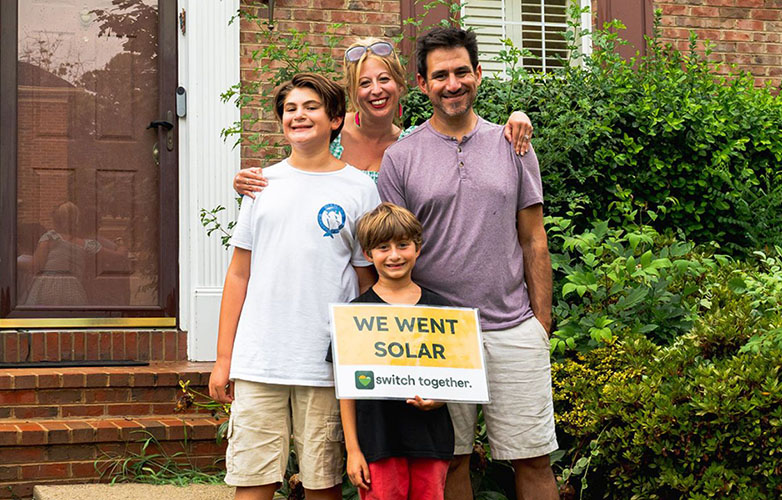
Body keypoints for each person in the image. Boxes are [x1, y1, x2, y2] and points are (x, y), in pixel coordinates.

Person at [377, 27, 559, 500]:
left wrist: (540, 323)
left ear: (478, 74)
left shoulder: (513, 144)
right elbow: (394, 257)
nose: (452, 83)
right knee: (451, 461)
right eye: (440, 75)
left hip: (512, 326)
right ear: (422, 84)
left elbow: (534, 238)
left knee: (534, 458)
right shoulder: (400, 159)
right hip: (439, 330)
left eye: (462, 72)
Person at [209, 73, 380, 500]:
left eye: (311, 107)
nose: (298, 115)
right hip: (259, 359)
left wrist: (367, 357)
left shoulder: (359, 188)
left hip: (324, 363)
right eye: (290, 109)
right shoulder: (260, 185)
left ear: (336, 119)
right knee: (252, 481)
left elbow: (366, 280)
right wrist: (223, 358)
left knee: (322, 482)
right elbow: (238, 274)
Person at [233, 37, 533, 196]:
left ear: (402, 84)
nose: (376, 90)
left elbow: (459, 128)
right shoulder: (330, 133)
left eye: (384, 79)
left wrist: (517, 116)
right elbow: (296, 172)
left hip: (391, 265)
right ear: (352, 90)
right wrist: (253, 181)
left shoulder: (411, 144)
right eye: (364, 83)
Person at [338, 202, 454, 500]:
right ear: (367, 254)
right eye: (382, 247)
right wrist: (353, 450)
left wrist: (439, 399)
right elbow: (346, 388)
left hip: (430, 441)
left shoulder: (442, 310)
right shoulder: (356, 314)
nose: (394, 255)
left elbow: (457, 375)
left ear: (418, 248)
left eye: (403, 245)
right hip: (378, 443)